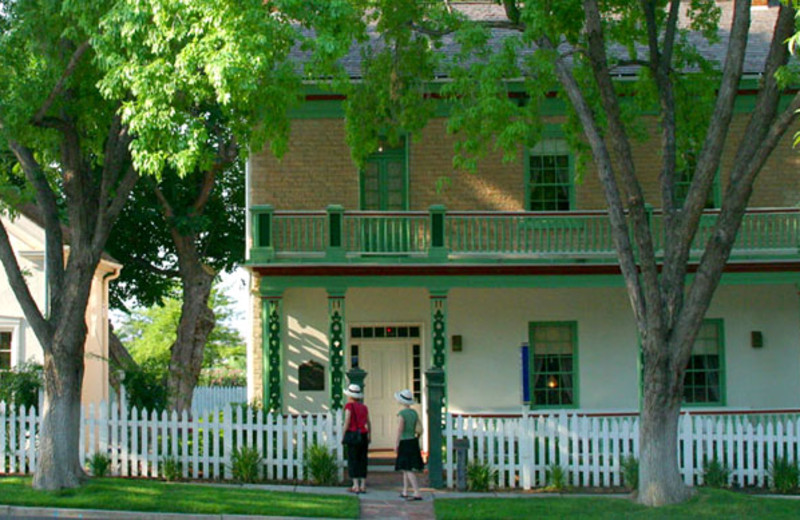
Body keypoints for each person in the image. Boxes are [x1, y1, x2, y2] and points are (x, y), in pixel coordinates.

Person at [394, 388, 424, 501]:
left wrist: (396, 443)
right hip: (413, 440)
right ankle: (405, 490)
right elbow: (419, 427)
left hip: (405, 441)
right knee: (406, 468)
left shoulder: (402, 414)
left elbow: (400, 429)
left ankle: (417, 491)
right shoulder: (414, 413)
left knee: (407, 468)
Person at [342, 383, 370, 493]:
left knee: (353, 459)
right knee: (363, 459)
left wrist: (343, 434)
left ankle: (355, 485)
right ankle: (363, 484)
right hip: (363, 434)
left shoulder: (349, 406)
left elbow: (347, 420)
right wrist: (370, 434)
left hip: (353, 434)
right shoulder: (364, 407)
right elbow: (368, 422)